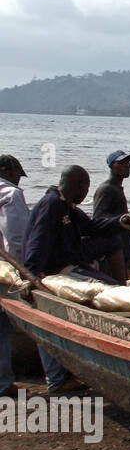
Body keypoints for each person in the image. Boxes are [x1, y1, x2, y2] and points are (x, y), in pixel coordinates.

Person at [23, 165, 130, 394]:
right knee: (107, 292)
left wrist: (120, 222)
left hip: (70, 266)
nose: (87, 191)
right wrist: (32, 274)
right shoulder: (53, 205)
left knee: (110, 287)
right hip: (57, 273)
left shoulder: (66, 206)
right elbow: (38, 241)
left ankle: (64, 376)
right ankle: (60, 379)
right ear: (77, 185)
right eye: (85, 185)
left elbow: (91, 226)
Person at [0, 154, 32, 398]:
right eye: (16, 174)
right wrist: (24, 275)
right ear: (7, 171)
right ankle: (4, 385)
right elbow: (16, 240)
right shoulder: (11, 195)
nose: (18, 180)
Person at [92, 150, 130, 283]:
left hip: (121, 250)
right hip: (111, 253)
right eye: (121, 163)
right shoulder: (106, 189)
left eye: (128, 162)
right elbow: (99, 221)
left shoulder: (116, 189)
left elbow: (118, 219)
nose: (127, 165)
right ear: (111, 166)